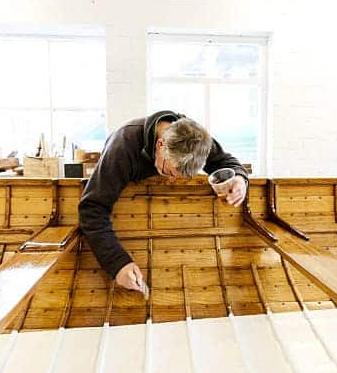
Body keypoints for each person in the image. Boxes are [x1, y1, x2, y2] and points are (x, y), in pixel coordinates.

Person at [79, 110, 249, 291]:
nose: (171, 181)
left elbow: (227, 162)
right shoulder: (122, 146)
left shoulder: (196, 139)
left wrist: (240, 179)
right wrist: (118, 264)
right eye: (169, 172)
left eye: (181, 177)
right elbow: (92, 208)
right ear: (160, 145)